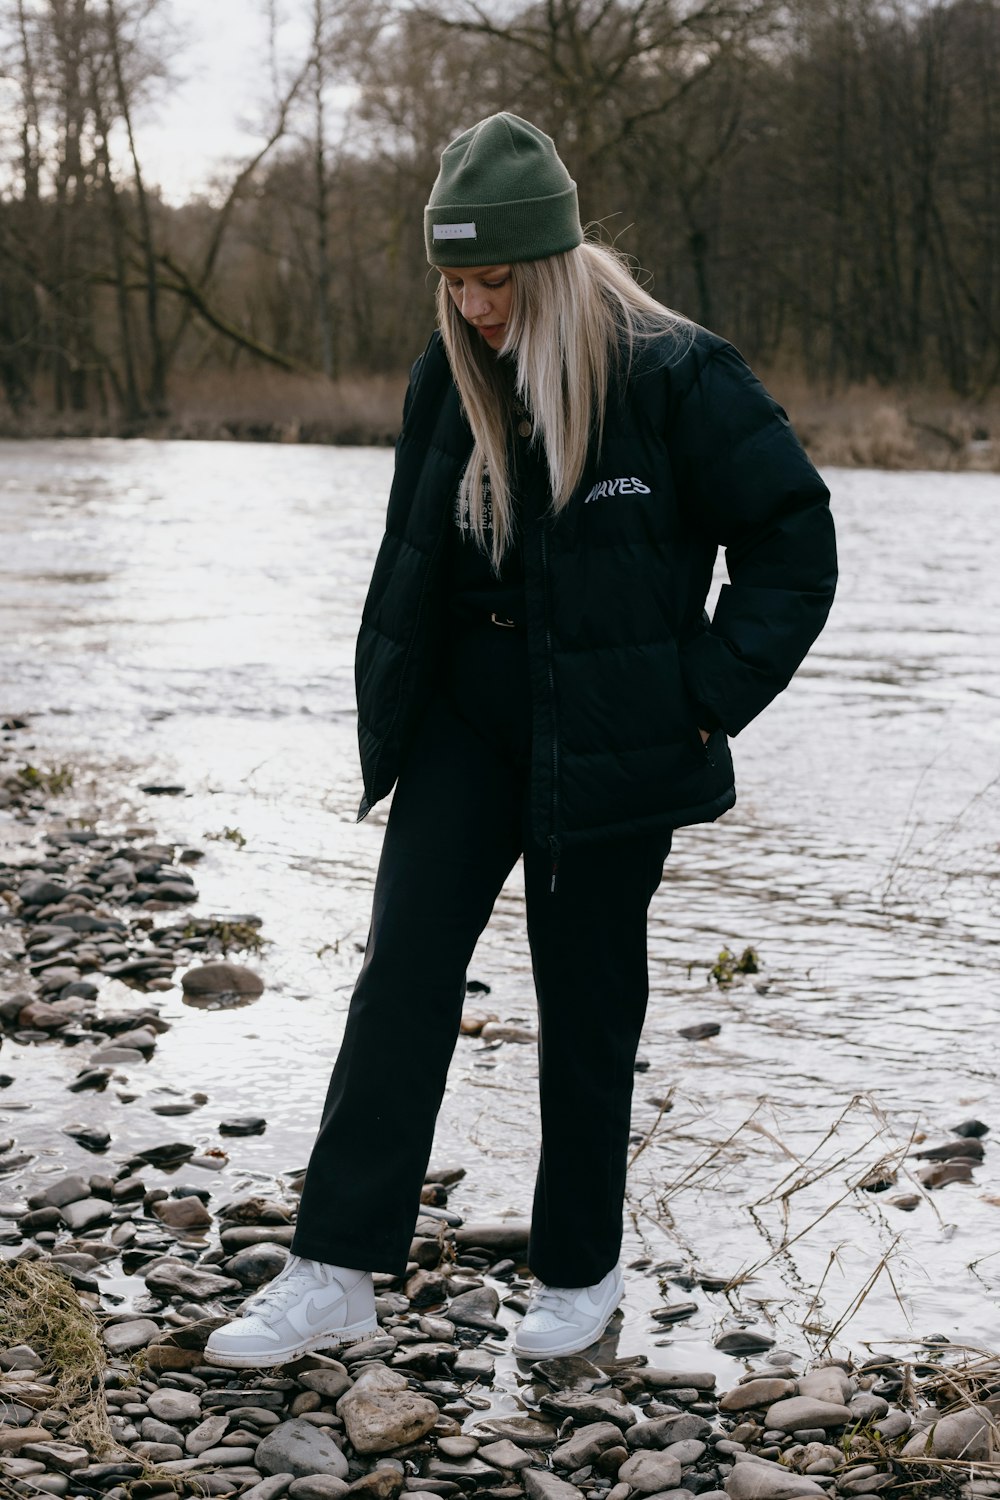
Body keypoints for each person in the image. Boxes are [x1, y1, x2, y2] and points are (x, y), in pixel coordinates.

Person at [206, 112, 837, 1369]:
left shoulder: (675, 371)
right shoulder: (451, 363)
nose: (477, 306)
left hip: (614, 734)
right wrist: (393, 701)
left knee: (588, 1004)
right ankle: (333, 1268)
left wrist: (700, 697)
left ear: (547, 261)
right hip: (465, 724)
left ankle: (579, 1276)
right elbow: (413, 553)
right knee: (400, 977)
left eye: (496, 280)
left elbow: (795, 543)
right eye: (455, 281)